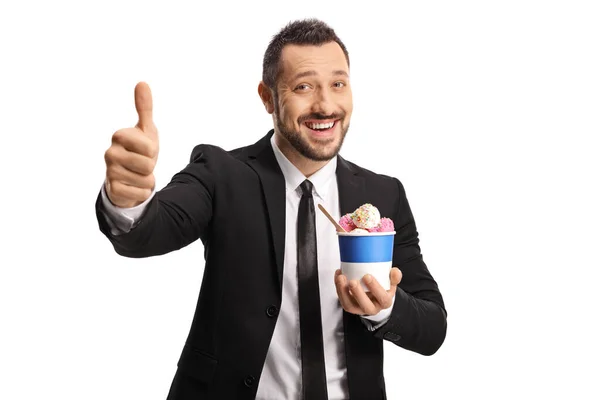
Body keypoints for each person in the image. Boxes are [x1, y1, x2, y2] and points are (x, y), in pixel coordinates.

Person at [96, 18, 447, 400]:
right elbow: (150, 232)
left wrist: (384, 309)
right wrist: (129, 201)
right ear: (267, 97)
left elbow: (432, 329)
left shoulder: (383, 194)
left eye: (338, 84)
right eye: (303, 86)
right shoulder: (221, 173)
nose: (325, 104)